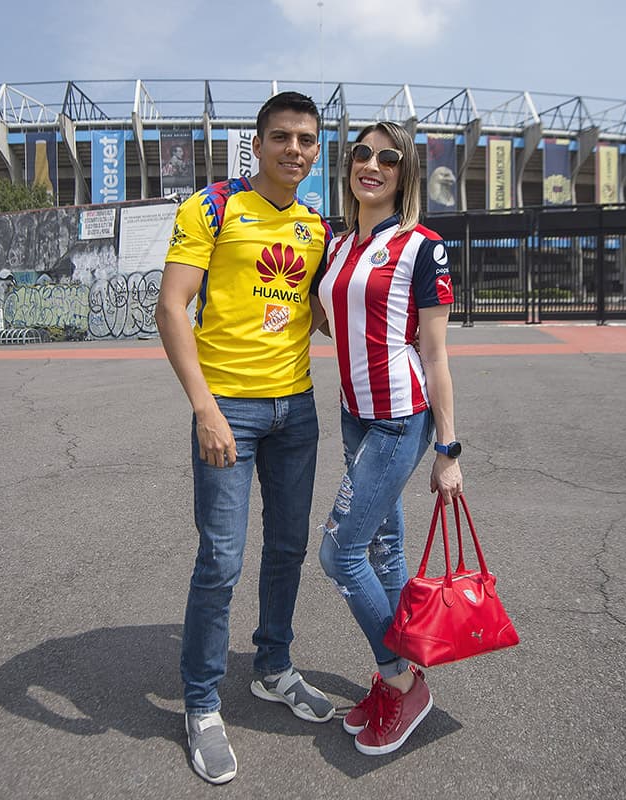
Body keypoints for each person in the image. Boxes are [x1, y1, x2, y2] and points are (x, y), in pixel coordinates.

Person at [155, 91, 335, 785]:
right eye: (283, 137)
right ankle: (201, 705)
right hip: (228, 408)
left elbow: (321, 316)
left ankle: (274, 666)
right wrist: (204, 407)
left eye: (307, 140)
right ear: (256, 145)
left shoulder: (316, 226)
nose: (296, 149)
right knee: (222, 561)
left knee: (288, 549)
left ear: (317, 152)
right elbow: (172, 308)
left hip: (297, 410)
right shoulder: (213, 207)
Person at [313, 121, 464, 756]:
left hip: (402, 416)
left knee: (338, 552)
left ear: (404, 175)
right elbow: (328, 319)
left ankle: (403, 682)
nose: (371, 165)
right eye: (362, 154)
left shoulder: (423, 247)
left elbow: (435, 354)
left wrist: (448, 450)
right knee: (383, 551)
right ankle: (401, 673)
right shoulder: (340, 244)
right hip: (354, 412)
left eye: (388, 158)